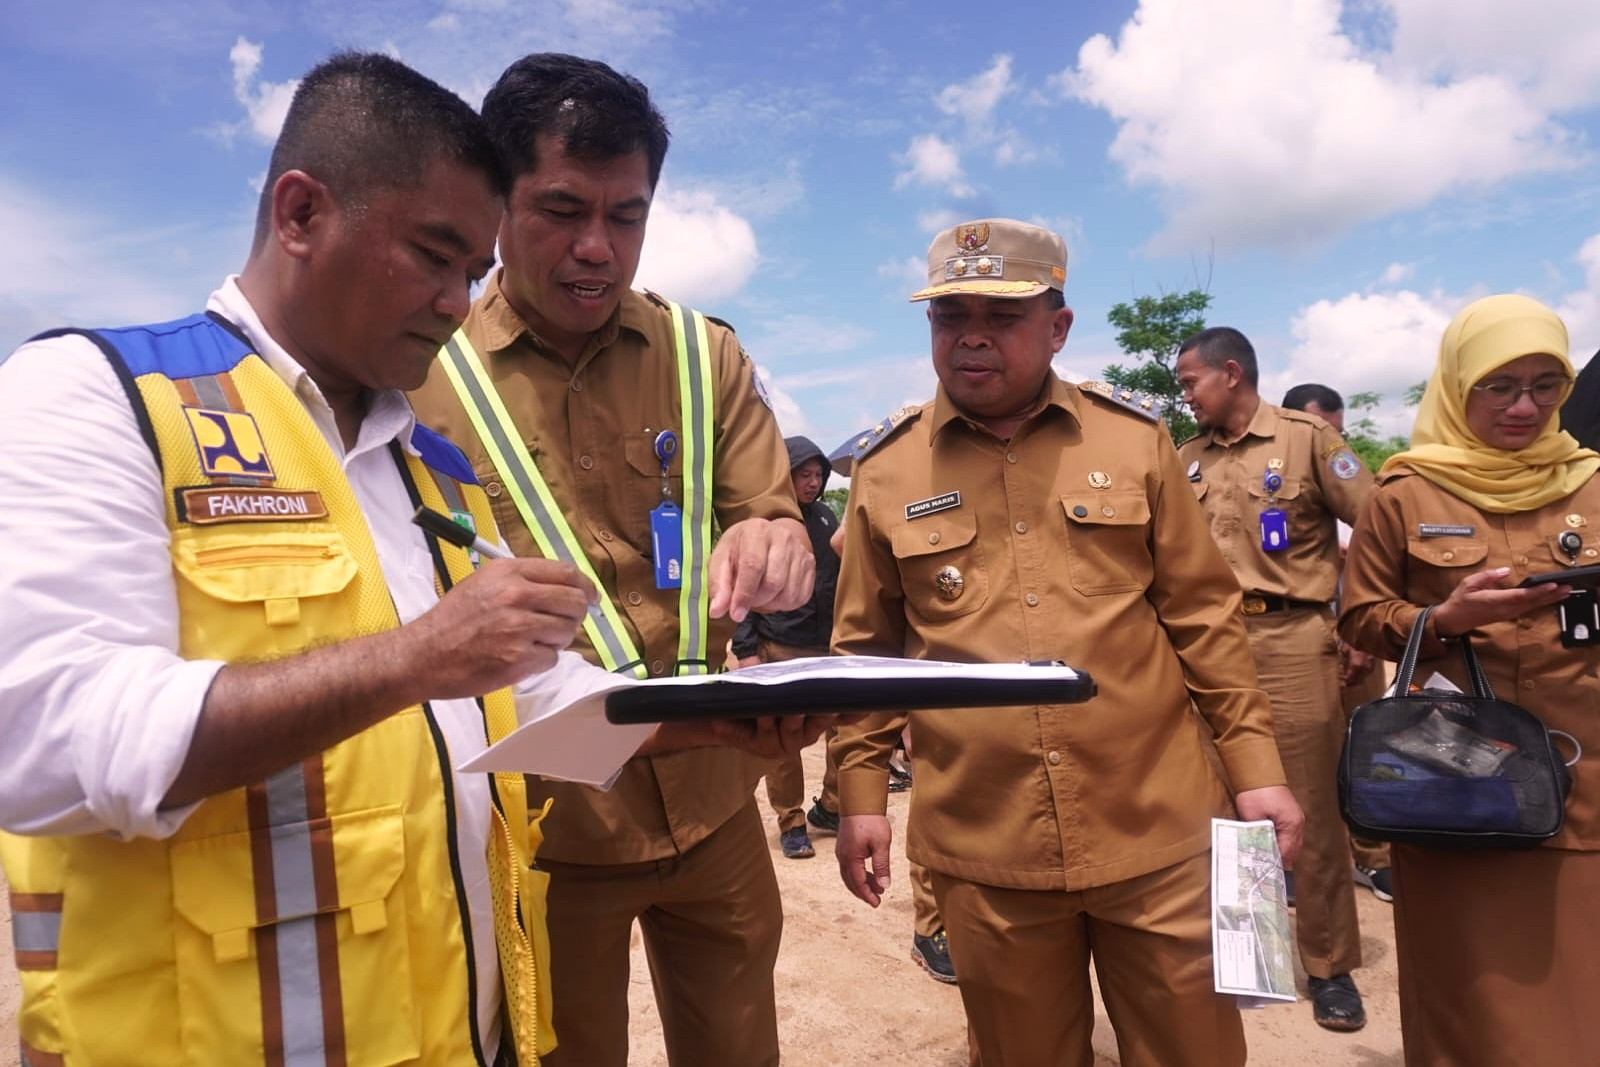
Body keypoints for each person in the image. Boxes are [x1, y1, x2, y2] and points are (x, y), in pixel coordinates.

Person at [0, 53, 599, 1066]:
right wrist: (416, 657)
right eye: (433, 255)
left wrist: (701, 718)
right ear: (300, 213)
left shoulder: (435, 469)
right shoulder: (97, 397)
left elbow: (521, 698)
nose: (459, 303)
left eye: (474, 274)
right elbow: (37, 736)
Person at [408, 53, 813, 1067]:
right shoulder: (419, 378)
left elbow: (769, 510)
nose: (596, 247)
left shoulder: (701, 352)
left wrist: (777, 540)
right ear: (498, 201)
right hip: (544, 828)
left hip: (715, 811)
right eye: (561, 209)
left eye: (625, 215)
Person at [830, 218, 1303, 1066]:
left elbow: (1203, 618)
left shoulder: (1133, 440)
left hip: (1157, 832)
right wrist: (861, 790)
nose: (971, 334)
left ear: (1058, 326)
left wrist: (1258, 771)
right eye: (949, 315)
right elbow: (868, 646)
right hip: (986, 845)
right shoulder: (887, 469)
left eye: (1001, 315)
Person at [1340, 294, 1600, 1066]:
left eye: (1544, 385)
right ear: (1458, 385)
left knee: (1580, 990)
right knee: (1469, 996)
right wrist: (1444, 618)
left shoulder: (1591, 481)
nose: (1524, 405)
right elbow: (1358, 619)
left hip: (1586, 778)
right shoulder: (1404, 493)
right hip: (1459, 779)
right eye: (1499, 385)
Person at [1176, 333, 1374, 1032]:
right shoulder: (1185, 460)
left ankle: (1329, 965)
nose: (1185, 395)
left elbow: (1375, 526)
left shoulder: (1308, 440)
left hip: (1293, 640)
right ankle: (1253, 956)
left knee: (1310, 810)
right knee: (1226, 809)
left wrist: (1358, 619)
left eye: (1192, 380)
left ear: (1232, 374)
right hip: (1208, 648)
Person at [1281, 382, 1395, 903]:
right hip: (1285, 641)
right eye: (1322, 429)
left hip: (1349, 632)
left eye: (1338, 431)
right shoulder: (1264, 467)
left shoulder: (1343, 475)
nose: (1332, 441)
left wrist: (1363, 631)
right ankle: (1288, 860)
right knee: (1295, 760)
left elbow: (1379, 544)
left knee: (1368, 747)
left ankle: (1374, 856)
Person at [732, 436, 841, 861]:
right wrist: (747, 653)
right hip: (779, 648)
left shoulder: (828, 520)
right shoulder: (762, 526)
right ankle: (792, 822)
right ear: (785, 476)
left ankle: (831, 806)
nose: (812, 483)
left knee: (845, 733)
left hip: (826, 647)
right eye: (804, 475)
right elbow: (745, 593)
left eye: (818, 475)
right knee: (783, 743)